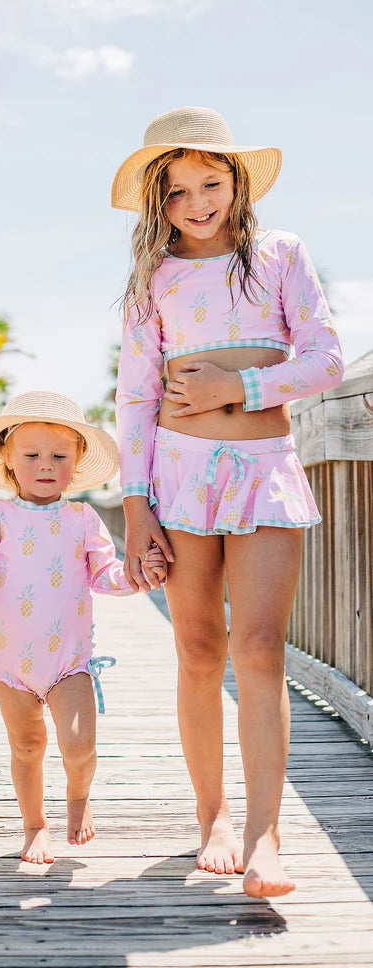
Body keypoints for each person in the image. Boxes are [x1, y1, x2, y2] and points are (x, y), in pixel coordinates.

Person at [112, 106, 344, 898]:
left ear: (237, 182)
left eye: (210, 184)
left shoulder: (278, 255)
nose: (197, 203)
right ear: (159, 204)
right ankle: (210, 816)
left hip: (263, 468)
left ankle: (263, 835)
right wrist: (135, 504)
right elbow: (134, 395)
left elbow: (324, 360)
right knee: (197, 651)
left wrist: (237, 386)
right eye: (177, 193)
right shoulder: (154, 278)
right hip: (177, 476)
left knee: (259, 649)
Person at [0, 391, 167, 865]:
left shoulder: (82, 518)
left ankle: (78, 795)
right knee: (27, 746)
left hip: (69, 661)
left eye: (59, 456)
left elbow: (105, 573)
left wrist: (137, 574)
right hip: (11, 665)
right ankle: (34, 825)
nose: (46, 465)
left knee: (79, 744)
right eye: (32, 455)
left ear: (77, 460)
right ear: (7, 457)